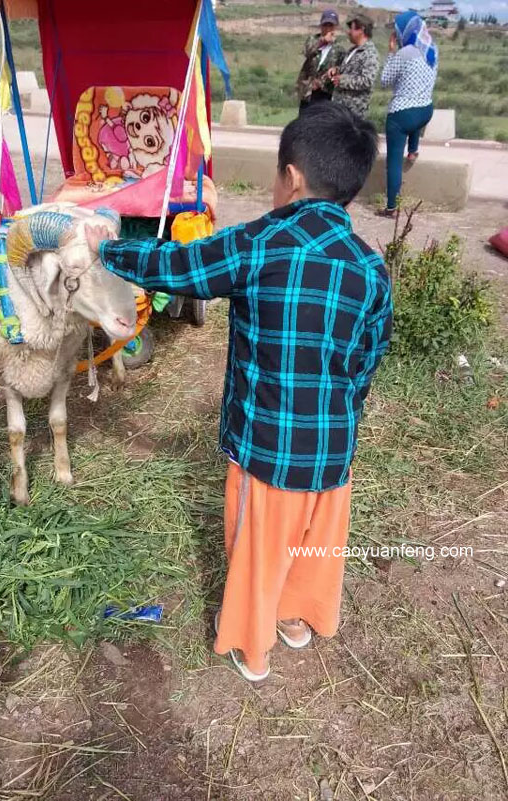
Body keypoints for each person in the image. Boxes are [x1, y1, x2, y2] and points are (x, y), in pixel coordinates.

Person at [85, 103, 392, 683]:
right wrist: (338, 419)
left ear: (291, 178)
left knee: (258, 549)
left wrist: (107, 248)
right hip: (333, 452)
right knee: (315, 541)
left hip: (267, 451)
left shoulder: (263, 243)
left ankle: (254, 650)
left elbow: (180, 266)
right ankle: (297, 622)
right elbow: (367, 361)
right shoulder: (370, 268)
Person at [379, 11, 438, 215]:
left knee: (393, 162)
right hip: (426, 111)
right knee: (415, 113)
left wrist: (390, 52)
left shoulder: (404, 54)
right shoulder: (432, 49)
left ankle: (391, 207)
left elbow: (385, 80)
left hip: (403, 115)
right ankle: (413, 150)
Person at [329, 13, 379, 119]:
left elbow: (367, 80)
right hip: (340, 109)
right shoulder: (352, 50)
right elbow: (349, 71)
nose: (349, 32)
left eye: (351, 29)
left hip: (353, 113)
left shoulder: (369, 53)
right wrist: (336, 70)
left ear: (361, 30)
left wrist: (342, 81)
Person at [296, 9, 345, 111]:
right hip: (308, 90)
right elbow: (307, 52)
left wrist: (334, 71)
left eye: (330, 26)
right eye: (325, 25)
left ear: (335, 27)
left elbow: (342, 67)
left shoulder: (339, 48)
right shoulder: (313, 40)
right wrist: (321, 42)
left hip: (325, 91)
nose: (327, 28)